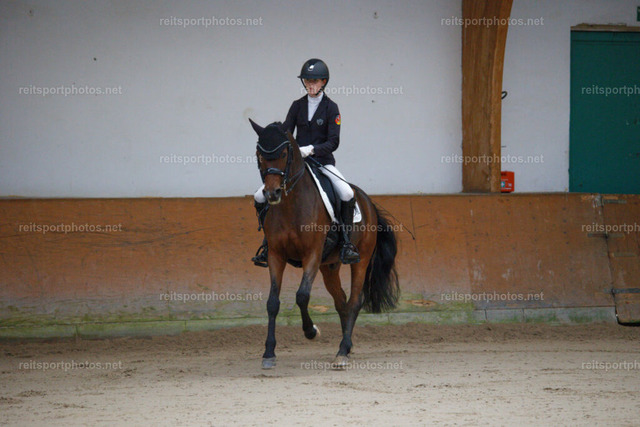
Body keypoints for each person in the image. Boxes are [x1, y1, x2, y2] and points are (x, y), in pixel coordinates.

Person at [252, 58, 360, 267]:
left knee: (347, 193)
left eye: (315, 81)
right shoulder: (297, 105)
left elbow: (334, 141)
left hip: (322, 162)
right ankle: (267, 243)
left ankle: (346, 243)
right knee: (259, 196)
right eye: (307, 81)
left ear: (323, 82)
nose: (310, 85)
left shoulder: (331, 108)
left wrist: (311, 149)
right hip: (298, 165)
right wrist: (272, 136)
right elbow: (286, 131)